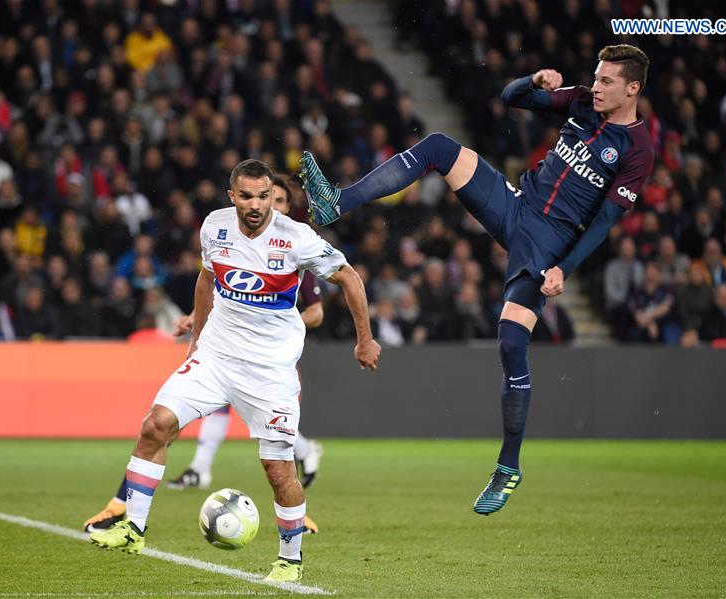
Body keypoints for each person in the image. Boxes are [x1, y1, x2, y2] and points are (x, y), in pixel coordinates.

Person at [299, 45, 654, 515]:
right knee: (439, 147)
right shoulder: (582, 100)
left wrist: (562, 268)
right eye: (597, 76)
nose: (598, 86)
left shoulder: (638, 149)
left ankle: (508, 467)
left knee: (511, 342)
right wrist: (534, 81)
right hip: (516, 205)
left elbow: (606, 220)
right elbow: (511, 97)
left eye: (608, 80)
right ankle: (336, 203)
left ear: (632, 88)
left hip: (547, 245)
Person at [89, 160, 380, 583]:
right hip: (216, 357)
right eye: (246, 196)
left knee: (278, 470)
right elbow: (206, 279)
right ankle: (133, 528)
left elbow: (350, 278)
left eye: (263, 196)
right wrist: (196, 339)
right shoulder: (214, 227)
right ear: (232, 196)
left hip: (269, 370)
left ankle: (290, 560)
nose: (256, 205)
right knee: (155, 425)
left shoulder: (296, 238)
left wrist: (364, 340)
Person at [84, 176, 326, 535]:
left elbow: (316, 311)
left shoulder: (295, 248)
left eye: (278, 201)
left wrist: (276, 326)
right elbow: (218, 285)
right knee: (165, 423)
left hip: (268, 359)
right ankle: (128, 502)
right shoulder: (235, 239)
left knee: (274, 444)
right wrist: (196, 318)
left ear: (288, 209)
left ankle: (295, 508)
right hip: (222, 351)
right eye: (264, 198)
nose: (267, 207)